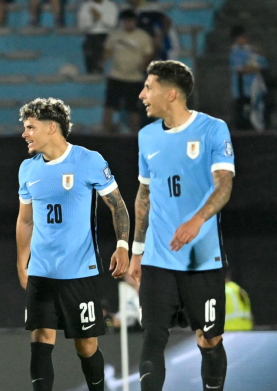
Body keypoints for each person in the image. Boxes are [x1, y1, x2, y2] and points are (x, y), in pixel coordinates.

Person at [130, 60, 235, 391]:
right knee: (153, 335)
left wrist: (197, 220)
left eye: (149, 87)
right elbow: (143, 196)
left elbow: (224, 185)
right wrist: (136, 251)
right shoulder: (146, 137)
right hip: (158, 259)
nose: (142, 94)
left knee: (209, 338)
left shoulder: (212, 130)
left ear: (171, 94)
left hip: (202, 260)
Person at [16, 97, 130, 391]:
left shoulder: (88, 160)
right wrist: (21, 260)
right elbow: (25, 221)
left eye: (30, 127)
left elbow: (117, 206)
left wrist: (122, 245)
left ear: (52, 127)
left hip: (80, 272)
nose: (25, 134)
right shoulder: (27, 170)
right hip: (42, 272)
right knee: (40, 339)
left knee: (86, 346)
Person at [102, 10, 153, 133]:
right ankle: (105, 134)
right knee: (109, 106)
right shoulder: (115, 35)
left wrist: (143, 65)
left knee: (134, 109)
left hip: (134, 78)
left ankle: (134, 138)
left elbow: (149, 54)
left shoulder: (143, 37)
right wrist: (103, 62)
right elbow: (107, 51)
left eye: (131, 21)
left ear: (135, 22)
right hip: (116, 76)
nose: (129, 24)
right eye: (126, 21)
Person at [230, 26, 269, 131]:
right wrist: (253, 68)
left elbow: (264, 63)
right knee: (243, 111)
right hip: (242, 88)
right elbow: (240, 69)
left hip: (254, 87)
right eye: (241, 37)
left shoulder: (250, 50)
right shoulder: (235, 52)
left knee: (256, 109)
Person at [77, 0, 118, 74]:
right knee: (90, 43)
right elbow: (81, 26)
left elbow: (112, 24)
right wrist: (93, 20)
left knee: (102, 43)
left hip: (107, 35)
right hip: (91, 35)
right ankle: (93, 70)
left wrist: (99, 17)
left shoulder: (111, 6)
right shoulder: (85, 6)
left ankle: (100, 68)